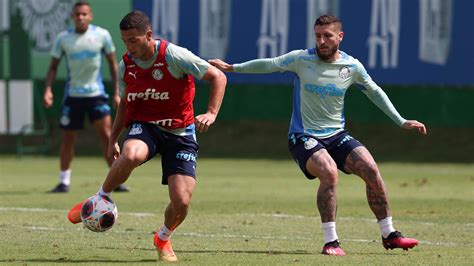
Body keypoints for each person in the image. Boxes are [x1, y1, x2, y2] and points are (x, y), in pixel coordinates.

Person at [209, 14, 426, 256]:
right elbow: (269, 63)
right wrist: (232, 67)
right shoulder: (301, 59)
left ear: (340, 37)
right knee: (329, 172)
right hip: (303, 137)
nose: (321, 41)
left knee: (371, 170)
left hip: (336, 136)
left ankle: (390, 235)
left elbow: (374, 92)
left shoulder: (351, 67)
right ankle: (331, 241)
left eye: (327, 36)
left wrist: (401, 121)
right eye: (318, 36)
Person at [67, 10, 226, 262]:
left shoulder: (174, 55)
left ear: (148, 35)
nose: (128, 47)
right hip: (146, 127)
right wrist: (113, 139)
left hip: (180, 132)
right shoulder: (126, 65)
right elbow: (124, 104)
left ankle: (163, 238)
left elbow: (218, 76)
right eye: (124, 41)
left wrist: (211, 112)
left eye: (133, 40)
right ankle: (99, 197)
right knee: (131, 154)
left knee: (182, 201)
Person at [43, 1, 129, 193]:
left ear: (90, 16)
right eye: (77, 14)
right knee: (68, 138)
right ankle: (64, 181)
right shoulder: (63, 38)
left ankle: (116, 180)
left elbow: (113, 65)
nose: (80, 17)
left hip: (96, 94)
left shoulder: (102, 35)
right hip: (73, 95)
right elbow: (53, 66)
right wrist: (48, 89)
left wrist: (117, 92)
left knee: (108, 135)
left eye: (84, 14)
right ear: (72, 17)